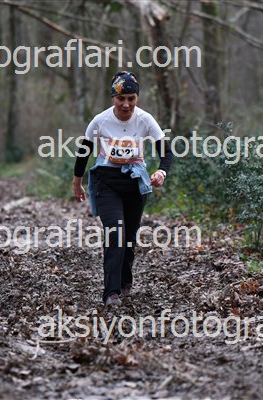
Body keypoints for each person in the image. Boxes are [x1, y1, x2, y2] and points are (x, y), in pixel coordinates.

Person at [72, 71, 173, 306]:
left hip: (135, 183)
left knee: (129, 237)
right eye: (121, 99)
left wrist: (161, 171)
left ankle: (126, 282)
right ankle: (111, 292)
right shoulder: (100, 121)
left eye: (131, 98)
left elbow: (166, 152)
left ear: (137, 98)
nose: (126, 104)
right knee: (115, 233)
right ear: (113, 98)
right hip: (106, 182)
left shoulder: (145, 119)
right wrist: (77, 182)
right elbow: (84, 152)